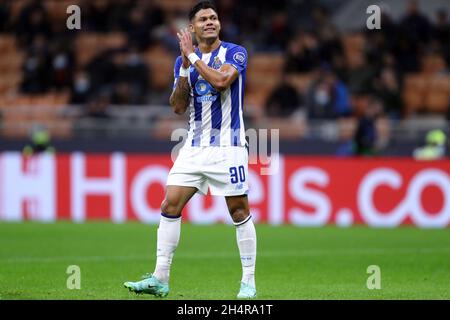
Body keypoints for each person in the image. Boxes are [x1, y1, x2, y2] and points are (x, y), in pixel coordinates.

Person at [123, 1, 257, 299]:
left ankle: (248, 282)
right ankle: (160, 278)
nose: (210, 22)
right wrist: (184, 67)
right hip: (194, 146)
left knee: (238, 210)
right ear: (192, 27)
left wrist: (193, 57)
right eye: (203, 19)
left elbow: (222, 81)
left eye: (214, 17)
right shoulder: (182, 61)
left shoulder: (235, 52)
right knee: (170, 205)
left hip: (228, 145)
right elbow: (177, 106)